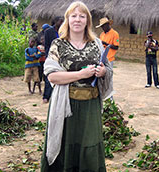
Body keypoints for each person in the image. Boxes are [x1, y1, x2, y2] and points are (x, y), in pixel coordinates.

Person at [40, 1, 113, 171]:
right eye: (74, 16)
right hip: (66, 105)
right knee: (64, 143)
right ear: (68, 20)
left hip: (90, 106)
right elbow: (52, 75)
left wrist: (102, 72)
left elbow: (108, 69)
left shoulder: (96, 44)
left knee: (89, 143)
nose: (78, 20)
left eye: (82, 16)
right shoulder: (58, 45)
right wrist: (80, 75)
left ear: (87, 21)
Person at [42, 16, 64, 103]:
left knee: (61, 77)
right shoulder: (49, 32)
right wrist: (48, 56)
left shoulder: (64, 31)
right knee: (49, 77)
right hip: (52, 56)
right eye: (60, 21)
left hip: (62, 57)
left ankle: (57, 97)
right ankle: (46, 96)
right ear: (55, 21)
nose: (61, 23)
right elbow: (47, 45)